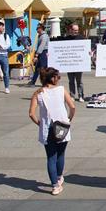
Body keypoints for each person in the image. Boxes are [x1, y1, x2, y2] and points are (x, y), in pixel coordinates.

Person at [28, 67, 76, 195]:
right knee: (60, 154)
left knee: (51, 157)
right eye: (58, 77)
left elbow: (31, 114)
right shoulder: (61, 90)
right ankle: (59, 178)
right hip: (62, 126)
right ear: (53, 78)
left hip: (47, 128)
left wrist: (40, 123)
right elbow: (72, 106)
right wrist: (69, 119)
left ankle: (55, 185)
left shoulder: (38, 93)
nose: (59, 79)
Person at [63, 23, 86, 102]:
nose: (76, 31)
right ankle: (72, 95)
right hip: (69, 63)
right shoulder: (66, 39)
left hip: (79, 64)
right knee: (71, 81)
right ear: (71, 30)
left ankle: (81, 96)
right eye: (75, 30)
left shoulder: (82, 38)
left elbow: (85, 49)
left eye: (77, 30)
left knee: (79, 81)